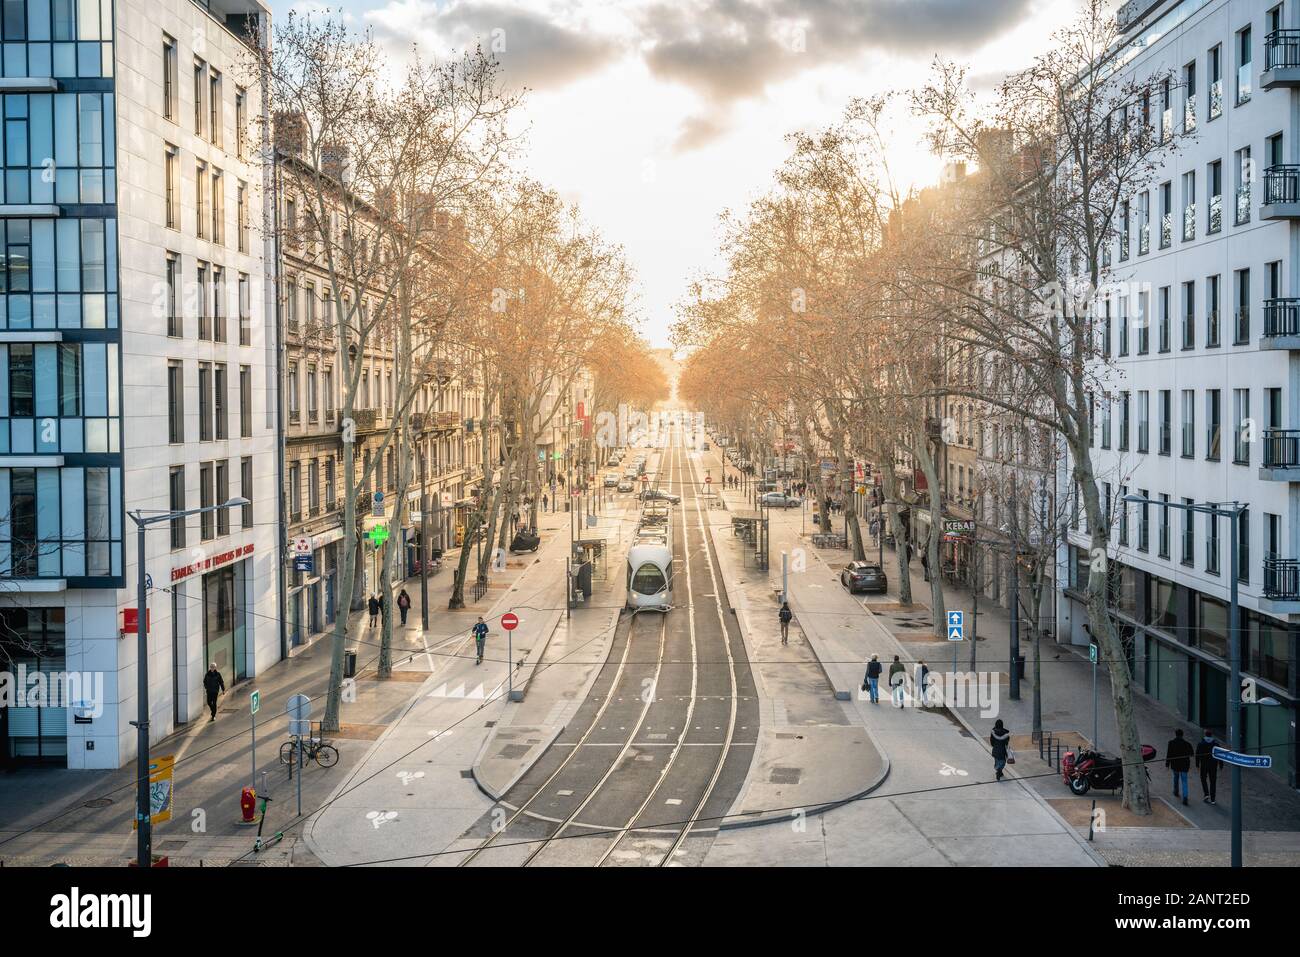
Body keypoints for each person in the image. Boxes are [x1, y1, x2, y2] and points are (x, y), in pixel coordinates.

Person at [1165, 728, 1194, 806]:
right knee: (1184, 781)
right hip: (1184, 765)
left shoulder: (1171, 743)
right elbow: (1192, 754)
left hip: (1175, 765)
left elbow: (1169, 754)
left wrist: (1167, 764)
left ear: (1176, 734)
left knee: (1176, 778)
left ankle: (1176, 791)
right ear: (1182, 735)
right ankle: (1185, 797)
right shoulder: (1187, 744)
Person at [1195, 729, 1220, 805]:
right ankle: (1213, 799)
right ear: (1211, 735)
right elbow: (1220, 754)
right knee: (1213, 782)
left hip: (1204, 764)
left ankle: (1206, 794)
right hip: (1213, 765)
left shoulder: (1201, 743)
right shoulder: (1215, 744)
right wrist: (1221, 764)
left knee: (1203, 778)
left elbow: (1197, 754)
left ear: (1205, 734)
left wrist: (1197, 764)